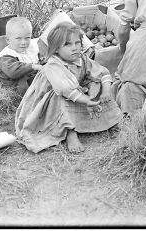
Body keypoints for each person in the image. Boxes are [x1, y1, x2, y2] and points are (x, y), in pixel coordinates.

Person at [15, 23, 122, 153]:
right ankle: (70, 132)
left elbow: (102, 72)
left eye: (77, 43)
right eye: (67, 44)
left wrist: (106, 92)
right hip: (53, 97)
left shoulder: (82, 58)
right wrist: (86, 100)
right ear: (55, 49)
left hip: (75, 91)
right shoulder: (53, 65)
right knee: (59, 98)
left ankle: (110, 120)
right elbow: (64, 89)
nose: (75, 48)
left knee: (96, 84)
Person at [0, 17, 42, 97]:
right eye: (18, 39)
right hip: (14, 84)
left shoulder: (30, 47)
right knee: (30, 86)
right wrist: (33, 66)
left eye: (27, 38)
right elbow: (13, 72)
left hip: (27, 77)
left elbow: (40, 45)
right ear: (8, 40)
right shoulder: (5, 56)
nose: (23, 42)